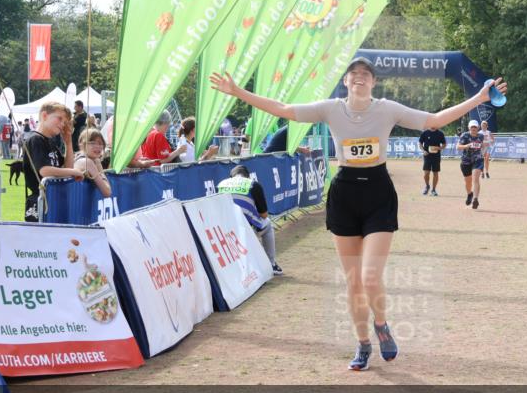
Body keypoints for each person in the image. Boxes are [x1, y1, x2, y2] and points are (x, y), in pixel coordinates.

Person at [210, 57, 507, 371]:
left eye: (366, 74)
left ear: (374, 83)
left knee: (369, 275)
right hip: (345, 194)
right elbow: (283, 109)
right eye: (354, 74)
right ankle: (363, 344)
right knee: (353, 281)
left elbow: (433, 120)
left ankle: (381, 324)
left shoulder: (387, 109)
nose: (360, 78)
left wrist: (479, 98)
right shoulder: (330, 109)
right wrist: (238, 91)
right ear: (347, 82)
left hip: (378, 192)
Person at [22, 102, 84, 222]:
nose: (62, 124)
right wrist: (74, 171)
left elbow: (67, 167)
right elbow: (45, 171)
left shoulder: (50, 142)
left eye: (65, 122)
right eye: (59, 119)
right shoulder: (35, 140)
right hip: (41, 201)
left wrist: (68, 143)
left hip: (54, 199)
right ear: (44, 116)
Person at [217, 165, 283, 275]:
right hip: (243, 228)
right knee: (267, 225)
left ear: (231, 177)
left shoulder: (221, 185)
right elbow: (264, 215)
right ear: (248, 176)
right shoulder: (253, 185)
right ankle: (271, 264)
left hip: (223, 229)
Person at [74, 128, 112, 198]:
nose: (97, 147)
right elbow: (107, 192)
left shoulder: (78, 157)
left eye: (100, 144)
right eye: (93, 143)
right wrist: (99, 167)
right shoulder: (87, 162)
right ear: (82, 145)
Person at [458, 119, 485, 209]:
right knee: (468, 181)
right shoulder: (464, 135)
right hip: (466, 161)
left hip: (478, 160)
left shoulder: (481, 136)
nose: (473, 128)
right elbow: (458, 147)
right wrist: (467, 146)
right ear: (469, 127)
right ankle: (470, 194)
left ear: (478, 128)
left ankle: (475, 199)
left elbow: (482, 145)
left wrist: (484, 146)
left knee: (475, 179)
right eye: (472, 127)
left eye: (475, 127)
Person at [418, 124, 446, 196]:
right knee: (426, 173)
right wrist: (423, 151)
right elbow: (420, 143)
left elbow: (444, 144)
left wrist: (438, 148)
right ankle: (427, 186)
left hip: (436, 156)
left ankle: (433, 190)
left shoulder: (440, 133)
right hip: (427, 155)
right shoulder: (425, 133)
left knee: (435, 173)